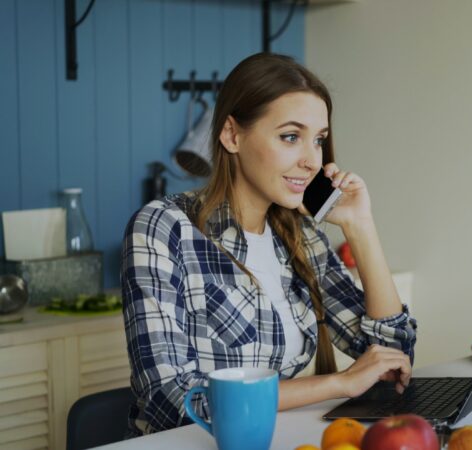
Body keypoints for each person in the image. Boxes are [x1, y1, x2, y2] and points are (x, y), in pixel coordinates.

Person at [121, 53, 416, 436]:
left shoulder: (302, 234)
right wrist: (338, 384)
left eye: (319, 140)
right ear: (232, 135)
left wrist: (360, 226)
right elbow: (171, 400)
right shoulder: (165, 228)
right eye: (290, 137)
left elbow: (392, 360)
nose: (312, 161)